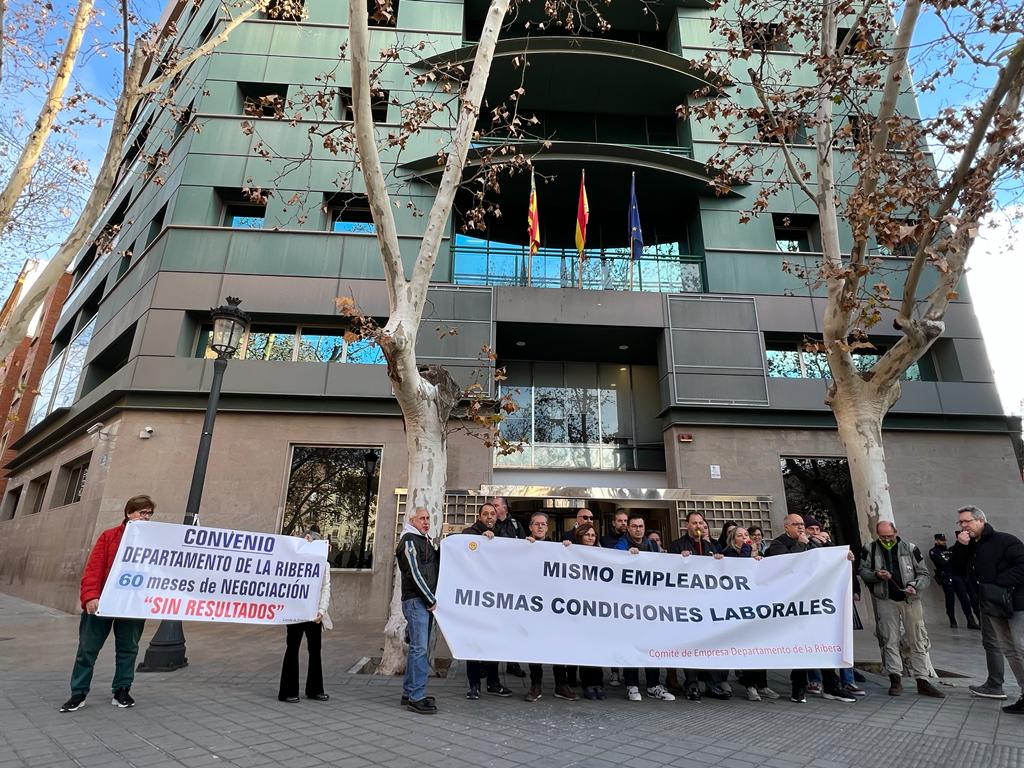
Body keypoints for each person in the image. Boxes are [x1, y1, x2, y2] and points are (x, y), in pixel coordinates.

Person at [60, 495, 156, 713]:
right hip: (101, 602)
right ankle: (78, 693)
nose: (147, 517)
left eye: (149, 513)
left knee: (128, 649)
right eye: (143, 513)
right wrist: (90, 596)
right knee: (87, 649)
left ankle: (122, 690)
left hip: (131, 605)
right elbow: (94, 568)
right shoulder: (109, 537)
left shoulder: (151, 541)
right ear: (129, 513)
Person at [767, 514, 856, 704]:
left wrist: (842, 556)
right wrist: (800, 544)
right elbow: (787, 566)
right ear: (786, 527)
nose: (801, 528)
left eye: (802, 525)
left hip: (815, 602)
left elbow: (827, 560)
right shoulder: (778, 544)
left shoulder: (813, 543)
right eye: (796, 525)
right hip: (792, 605)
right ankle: (798, 688)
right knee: (800, 646)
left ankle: (832, 686)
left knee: (823, 643)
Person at [859, 521, 944, 698]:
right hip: (885, 599)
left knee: (918, 639)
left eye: (890, 536)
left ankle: (922, 680)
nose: (887, 539)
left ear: (896, 532)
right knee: (889, 639)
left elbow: (924, 574)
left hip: (910, 599)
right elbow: (863, 571)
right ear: (877, 534)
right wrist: (876, 575)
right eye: (882, 536)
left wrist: (915, 585)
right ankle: (895, 679)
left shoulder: (910, 548)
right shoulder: (870, 549)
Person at [957, 505, 1024, 714]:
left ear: (980, 521)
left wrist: (997, 583)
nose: (963, 526)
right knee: (1010, 650)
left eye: (967, 521)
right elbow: (956, 569)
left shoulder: (1005, 541)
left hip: (1016, 604)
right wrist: (961, 547)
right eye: (960, 522)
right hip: (991, 606)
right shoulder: (969, 546)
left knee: (1021, 647)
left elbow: (1022, 565)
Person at [615, 514, 675, 702]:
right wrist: (626, 557)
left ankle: (653, 685)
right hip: (629, 602)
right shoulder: (621, 545)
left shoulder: (652, 544)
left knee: (651, 643)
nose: (638, 529)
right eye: (634, 526)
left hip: (650, 602)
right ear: (628, 528)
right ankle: (632, 684)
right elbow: (615, 564)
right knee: (631, 643)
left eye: (640, 526)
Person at [669, 511, 728, 700]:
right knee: (691, 646)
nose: (698, 526)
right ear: (687, 525)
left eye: (701, 523)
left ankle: (712, 684)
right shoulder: (677, 545)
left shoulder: (711, 546)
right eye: (694, 523)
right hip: (687, 605)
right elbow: (669, 572)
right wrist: (681, 560)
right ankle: (691, 684)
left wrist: (719, 560)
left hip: (707, 605)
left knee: (709, 645)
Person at [523, 512, 578, 701]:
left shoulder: (558, 548)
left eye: (543, 524)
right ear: (530, 527)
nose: (539, 527)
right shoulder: (522, 547)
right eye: (536, 524)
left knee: (558, 645)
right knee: (534, 647)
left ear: (547, 528)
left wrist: (569, 551)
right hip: (533, 606)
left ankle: (561, 685)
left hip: (554, 607)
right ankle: (535, 685)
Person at [721, 527, 779, 701]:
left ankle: (763, 684)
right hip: (739, 608)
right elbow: (740, 568)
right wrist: (748, 553)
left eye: (747, 535)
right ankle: (750, 685)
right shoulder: (728, 555)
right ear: (732, 540)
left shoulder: (758, 554)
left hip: (757, 607)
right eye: (740, 536)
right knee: (746, 648)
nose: (745, 538)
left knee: (760, 647)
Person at [460, 504, 512, 699]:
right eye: (486, 514)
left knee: (493, 642)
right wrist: (480, 543)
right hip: (475, 598)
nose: (489, 516)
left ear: (497, 516)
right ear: (480, 516)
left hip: (497, 599)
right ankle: (474, 685)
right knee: (474, 642)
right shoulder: (469, 533)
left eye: (492, 513)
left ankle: (493, 683)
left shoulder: (504, 535)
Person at [278, 527, 333, 703]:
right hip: (295, 611)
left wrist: (322, 611)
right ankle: (288, 691)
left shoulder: (324, 564)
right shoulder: (294, 560)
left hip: (314, 613)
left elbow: (326, 587)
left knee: (315, 651)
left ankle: (315, 689)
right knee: (292, 649)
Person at [396, 507, 440, 714]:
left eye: (428, 518)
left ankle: (410, 691)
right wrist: (430, 599)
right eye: (422, 518)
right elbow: (414, 573)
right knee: (420, 649)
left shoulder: (424, 540)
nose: (426, 521)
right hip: (417, 601)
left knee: (417, 647)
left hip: (422, 601)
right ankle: (416, 696)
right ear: (411, 520)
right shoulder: (409, 541)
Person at [491, 496, 527, 680]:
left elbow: (524, 548)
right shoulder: (490, 525)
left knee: (513, 624)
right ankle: (489, 665)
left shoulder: (514, 525)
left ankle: (513, 662)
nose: (494, 508)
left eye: (496, 505)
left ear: (505, 508)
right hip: (495, 581)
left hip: (513, 582)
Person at [570, 523, 607, 700]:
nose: (591, 538)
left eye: (593, 535)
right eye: (587, 535)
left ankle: (598, 683)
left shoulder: (603, 554)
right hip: (580, 607)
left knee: (597, 646)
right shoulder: (572, 552)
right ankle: (587, 684)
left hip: (597, 608)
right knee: (585, 646)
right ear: (580, 537)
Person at [930, 532, 980, 629]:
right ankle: (952, 621)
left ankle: (971, 621)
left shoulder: (949, 551)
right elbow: (943, 563)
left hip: (956, 576)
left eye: (944, 540)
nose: (943, 542)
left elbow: (957, 562)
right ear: (936, 540)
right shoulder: (934, 551)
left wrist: (952, 562)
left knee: (965, 599)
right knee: (950, 600)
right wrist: (952, 562)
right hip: (946, 578)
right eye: (941, 540)